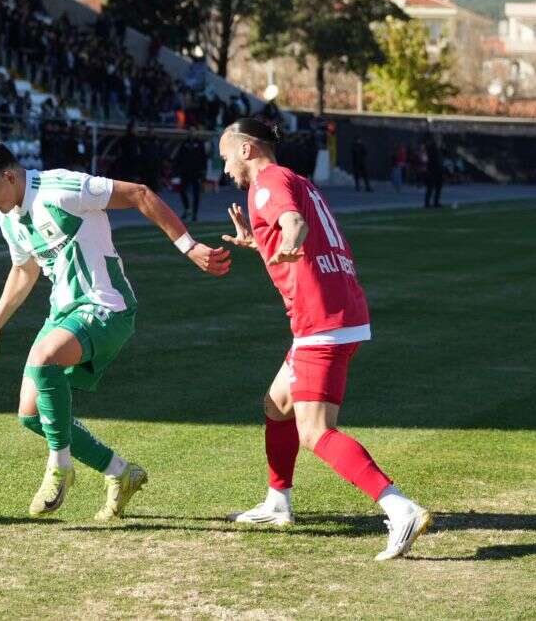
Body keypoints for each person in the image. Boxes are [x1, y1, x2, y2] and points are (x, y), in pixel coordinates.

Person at [0, 141, 229, 520]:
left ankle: (60, 467)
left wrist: (189, 246)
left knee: (44, 359)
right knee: (31, 414)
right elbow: (23, 271)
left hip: (106, 305)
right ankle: (121, 472)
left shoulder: (62, 188)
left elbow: (139, 194)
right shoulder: (9, 218)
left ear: (9, 176)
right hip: (63, 312)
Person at [217, 118, 430, 561]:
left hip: (321, 318)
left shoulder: (266, 183)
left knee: (315, 432)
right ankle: (278, 502)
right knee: (276, 404)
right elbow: (294, 229)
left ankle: (399, 507)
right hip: (338, 308)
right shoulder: (296, 179)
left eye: (225, 157)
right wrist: (260, 243)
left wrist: (290, 240)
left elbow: (294, 224)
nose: (224, 169)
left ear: (246, 150)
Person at [173, 124, 207, 222]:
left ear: (196, 132)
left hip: (196, 172)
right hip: (185, 172)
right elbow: (179, 157)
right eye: (190, 131)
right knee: (182, 191)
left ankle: (194, 214)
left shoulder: (200, 143)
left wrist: (203, 172)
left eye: (193, 131)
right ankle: (187, 208)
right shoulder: (184, 143)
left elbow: (203, 158)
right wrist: (177, 169)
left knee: (196, 194)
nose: (192, 133)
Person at [424, 136, 443, 208]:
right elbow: (430, 161)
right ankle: (428, 203)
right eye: (439, 141)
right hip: (432, 171)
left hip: (437, 171)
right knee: (430, 188)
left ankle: (435, 202)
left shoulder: (438, 150)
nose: (440, 142)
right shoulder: (432, 149)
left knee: (437, 188)